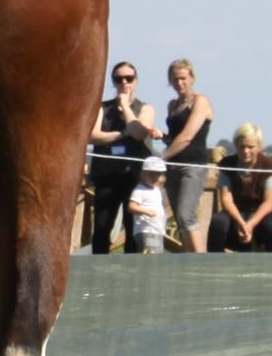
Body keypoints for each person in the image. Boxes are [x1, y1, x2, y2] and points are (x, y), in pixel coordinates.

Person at [88, 61, 160, 254]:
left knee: (132, 230)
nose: (124, 83)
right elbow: (92, 135)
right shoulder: (101, 108)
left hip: (135, 178)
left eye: (129, 78)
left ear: (136, 81)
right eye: (119, 79)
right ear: (113, 82)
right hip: (107, 175)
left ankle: (131, 276)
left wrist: (125, 107)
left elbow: (139, 132)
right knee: (102, 229)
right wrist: (121, 134)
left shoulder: (146, 108)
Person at [208, 124, 272, 254]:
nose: (246, 151)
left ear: (259, 147)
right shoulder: (226, 165)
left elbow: (269, 202)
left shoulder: (271, 166)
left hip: (263, 213)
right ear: (236, 145)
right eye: (242, 147)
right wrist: (242, 223)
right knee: (218, 222)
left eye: (250, 147)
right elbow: (226, 198)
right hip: (236, 213)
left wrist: (250, 225)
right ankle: (213, 266)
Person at [162, 59, 213, 252]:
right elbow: (175, 138)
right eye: (175, 79)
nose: (179, 83)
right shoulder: (172, 105)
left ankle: (201, 261)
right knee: (180, 219)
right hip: (172, 167)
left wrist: (162, 156)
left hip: (192, 167)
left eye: (183, 78)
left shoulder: (201, 102)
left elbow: (187, 136)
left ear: (191, 78)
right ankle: (188, 259)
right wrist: (163, 137)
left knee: (186, 215)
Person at [127, 155, 168, 254]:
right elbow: (131, 206)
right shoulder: (140, 189)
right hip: (146, 230)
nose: (154, 177)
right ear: (143, 174)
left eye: (157, 174)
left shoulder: (157, 190)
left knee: (157, 255)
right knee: (150, 255)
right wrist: (146, 212)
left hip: (157, 230)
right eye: (151, 174)